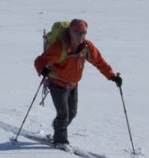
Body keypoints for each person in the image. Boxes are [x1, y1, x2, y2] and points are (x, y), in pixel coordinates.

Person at [33, 18, 122, 148]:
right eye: (78, 33)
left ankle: (58, 127)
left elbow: (99, 62)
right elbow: (39, 61)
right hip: (57, 83)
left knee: (72, 113)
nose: (81, 36)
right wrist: (43, 70)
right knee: (63, 114)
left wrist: (112, 76)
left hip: (73, 84)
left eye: (84, 33)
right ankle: (61, 141)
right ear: (71, 32)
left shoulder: (86, 47)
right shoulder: (59, 47)